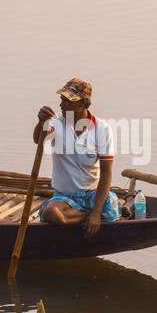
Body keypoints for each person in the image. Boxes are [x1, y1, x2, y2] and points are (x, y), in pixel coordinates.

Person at [34, 78, 120, 238]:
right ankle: (88, 215)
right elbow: (38, 139)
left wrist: (96, 212)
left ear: (82, 104)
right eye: (62, 99)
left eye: (67, 101)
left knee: (107, 212)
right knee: (52, 214)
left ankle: (96, 212)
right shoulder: (56, 122)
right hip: (64, 196)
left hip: (91, 194)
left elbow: (106, 173)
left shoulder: (102, 129)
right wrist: (41, 122)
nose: (61, 105)